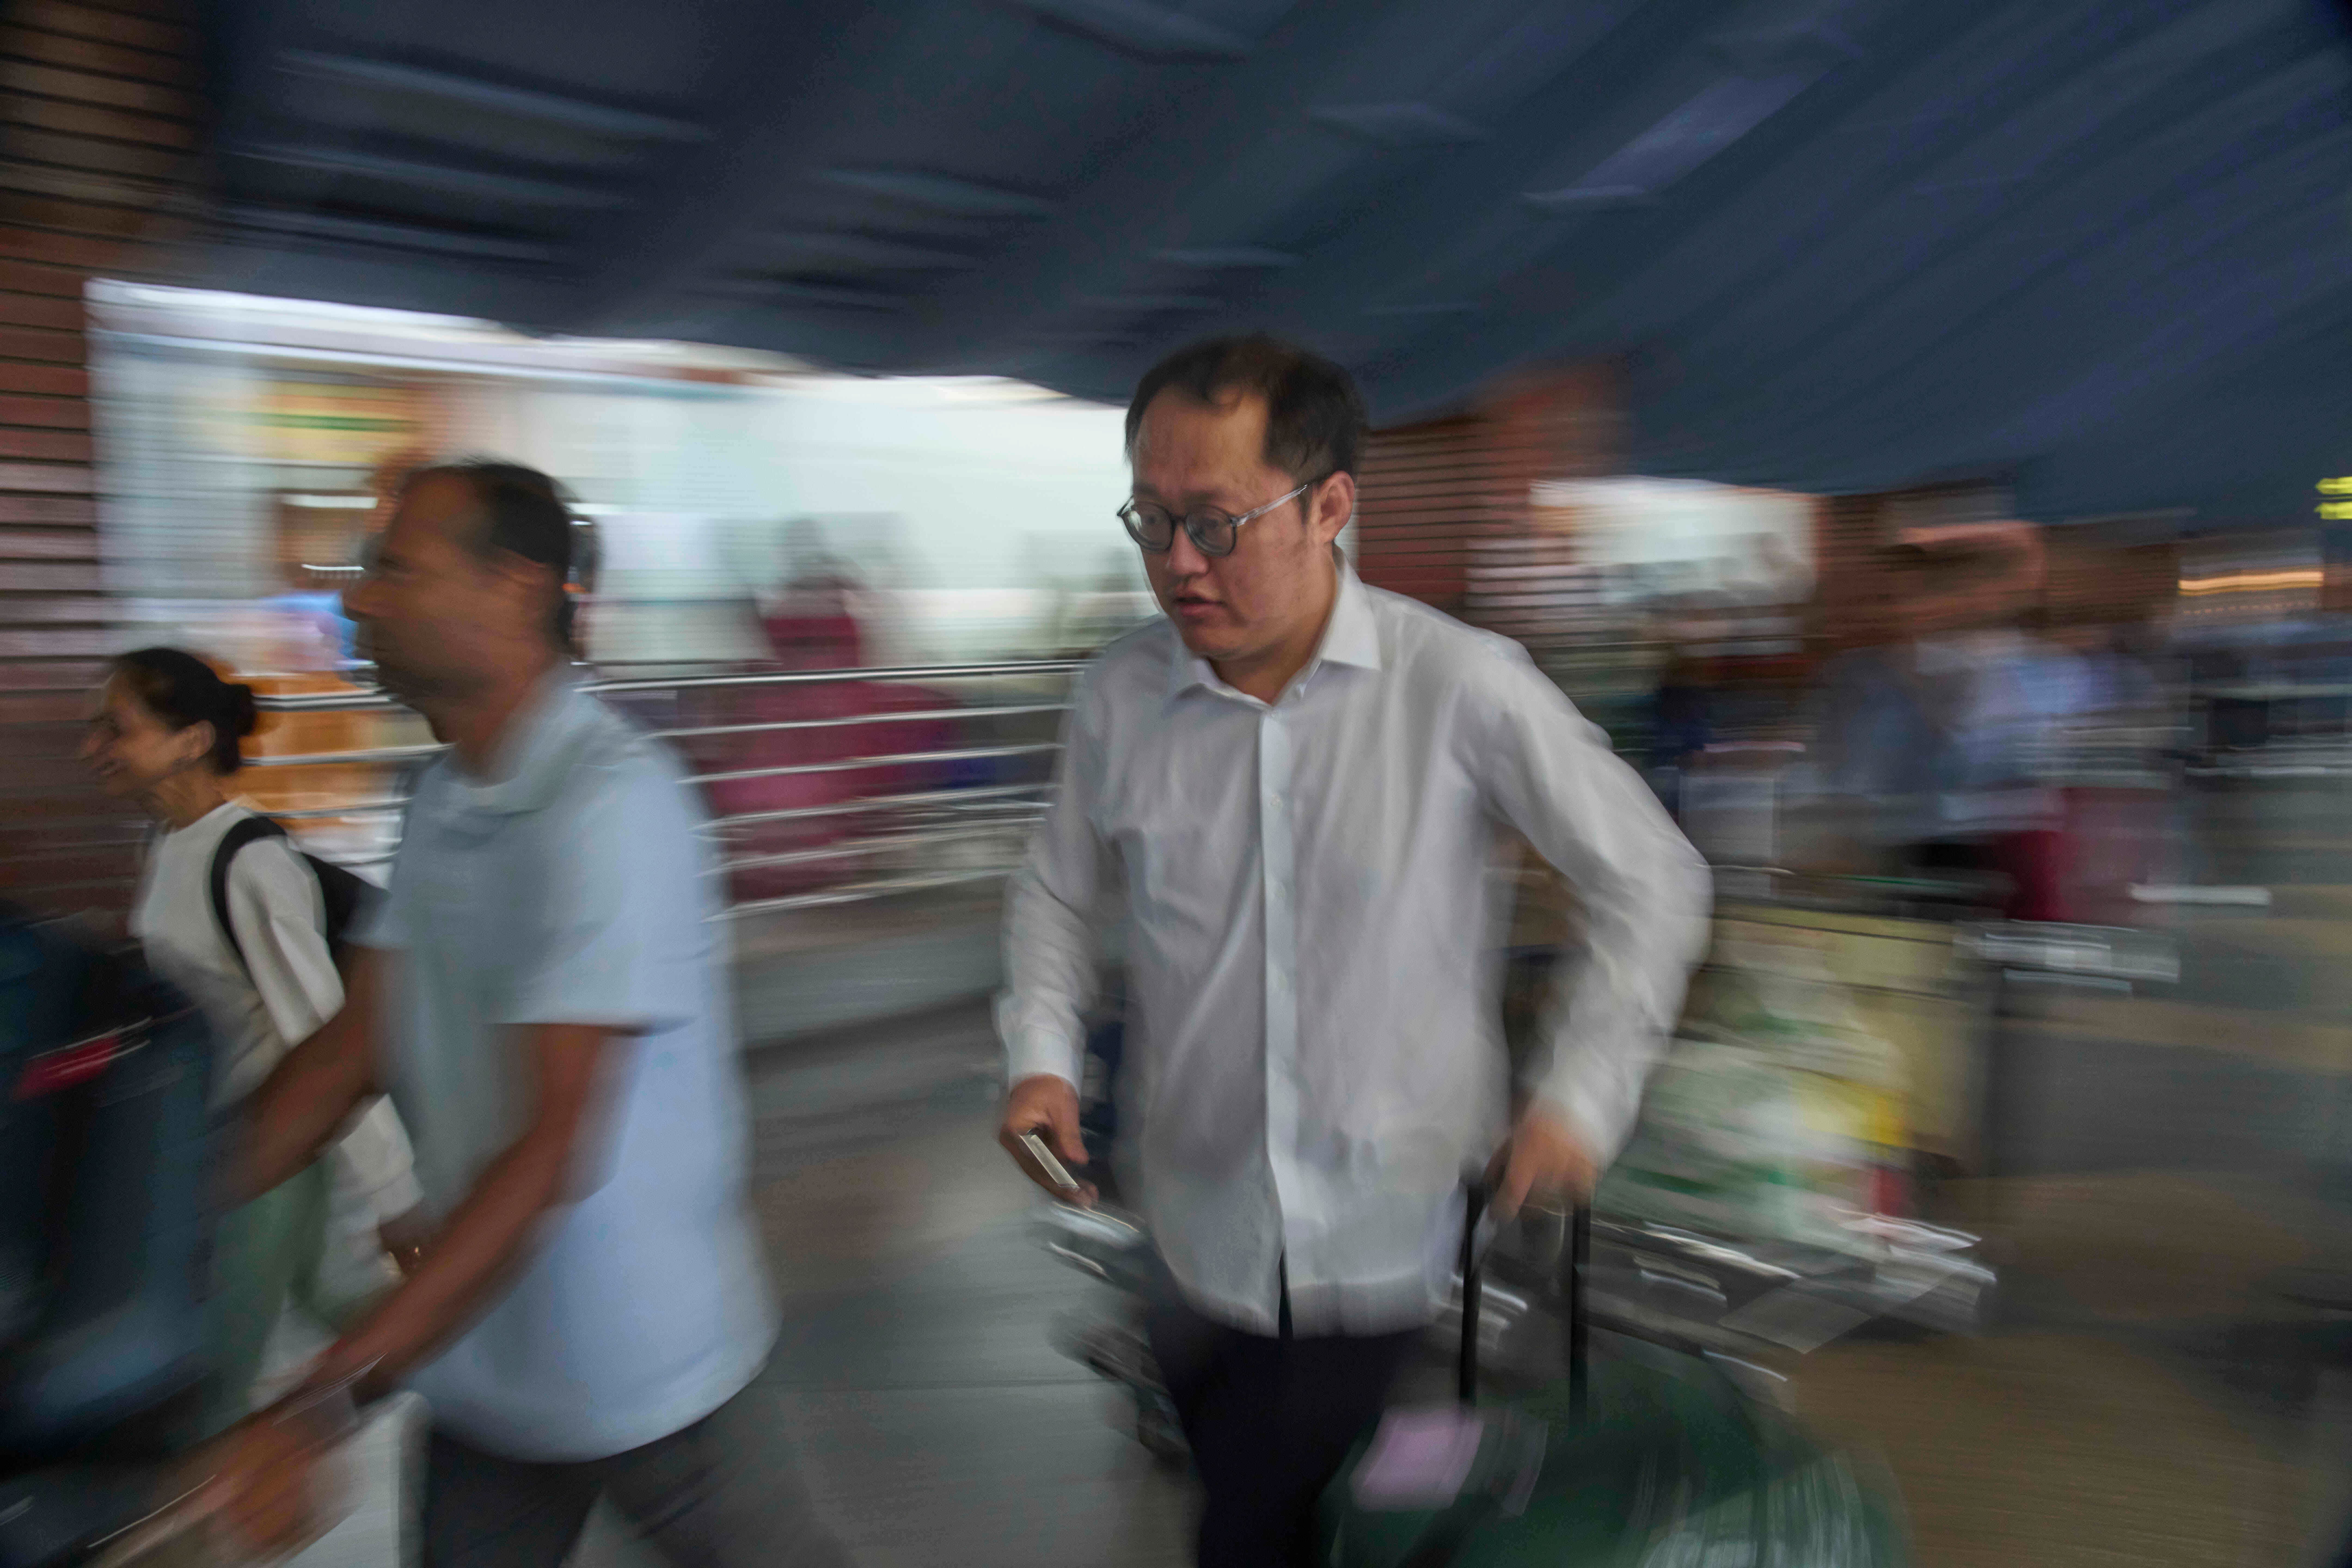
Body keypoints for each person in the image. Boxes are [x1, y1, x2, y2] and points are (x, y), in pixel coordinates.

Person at [996, 335, 1711, 1566]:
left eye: (1213, 523)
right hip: (1193, 1231)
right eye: (1150, 520)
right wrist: (1041, 1056)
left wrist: (1580, 1105)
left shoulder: (1459, 687)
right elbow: (1056, 892)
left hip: (1391, 1244)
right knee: (1264, 1511)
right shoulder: (1117, 701)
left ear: (1329, 506)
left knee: (1269, 1534)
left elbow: (1653, 879)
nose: (1176, 564)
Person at [197, 461, 847, 1567]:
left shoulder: (612, 808)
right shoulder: (450, 793)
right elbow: (353, 1049)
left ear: (516, 587)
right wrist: (164, 1212)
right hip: (490, 1373)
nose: (357, 599)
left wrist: (323, 1405)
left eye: (392, 568)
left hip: (649, 1384)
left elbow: (551, 1151)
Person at [81, 646, 424, 1429]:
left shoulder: (251, 863)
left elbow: (334, 1043)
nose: (92, 748)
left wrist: (399, 1204)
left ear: (192, 740)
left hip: (267, 1166)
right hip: (224, 1151)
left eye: (116, 728)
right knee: (344, 1305)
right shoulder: (164, 845)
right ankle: (484, 1367)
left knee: (212, 1392)